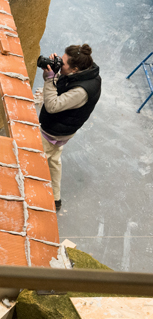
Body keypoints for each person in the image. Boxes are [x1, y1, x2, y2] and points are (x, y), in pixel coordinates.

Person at [38, 44, 100, 212]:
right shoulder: (85, 73)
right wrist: (52, 72)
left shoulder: (81, 90)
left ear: (75, 69)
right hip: (63, 128)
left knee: (34, 159)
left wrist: (50, 80)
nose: (60, 63)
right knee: (53, 160)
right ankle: (55, 198)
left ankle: (32, 198)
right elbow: (63, 86)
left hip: (55, 131)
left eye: (62, 63)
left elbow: (52, 105)